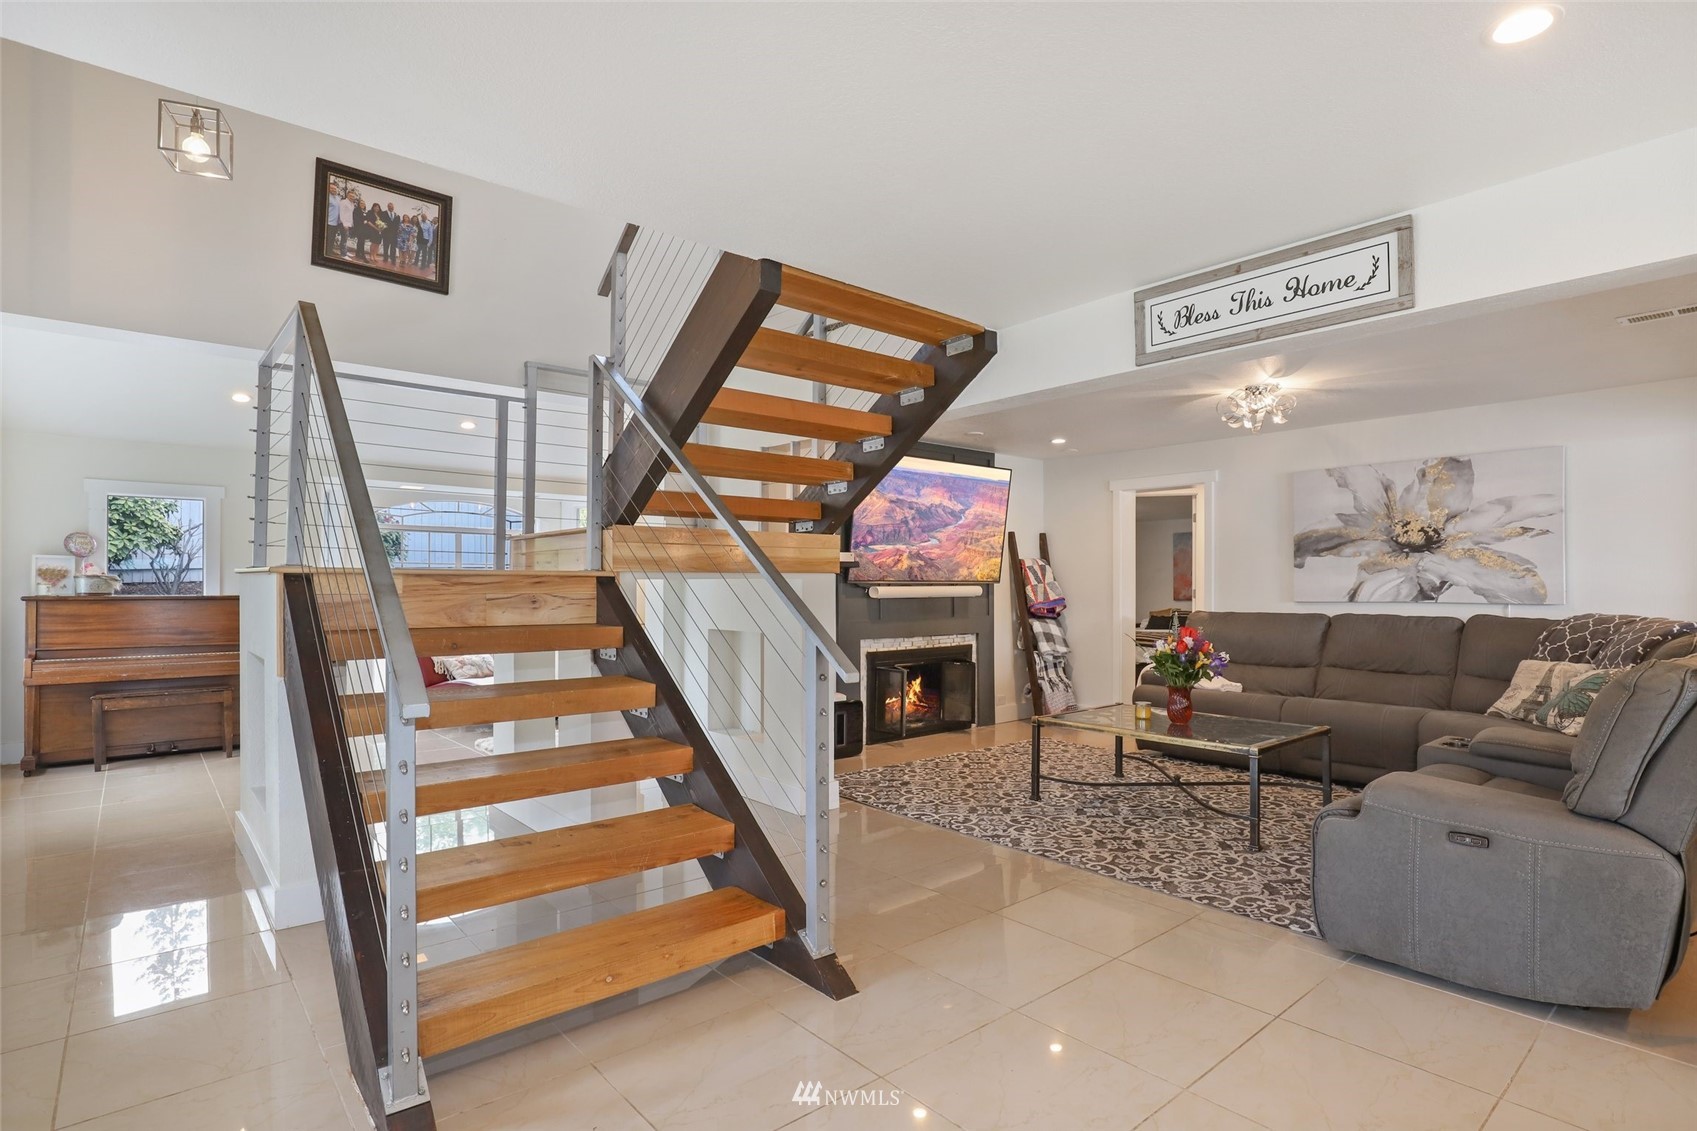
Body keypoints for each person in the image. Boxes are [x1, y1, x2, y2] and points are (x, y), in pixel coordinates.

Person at [336, 187, 356, 259]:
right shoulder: (343, 202)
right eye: (350, 196)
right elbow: (341, 213)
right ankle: (343, 255)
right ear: (347, 195)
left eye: (353, 196)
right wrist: (344, 223)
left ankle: (345, 251)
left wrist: (351, 223)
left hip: (349, 223)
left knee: (346, 238)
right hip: (344, 224)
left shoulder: (352, 204)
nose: (352, 197)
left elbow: (350, 214)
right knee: (344, 238)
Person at [380, 200, 399, 265]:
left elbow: (397, 225)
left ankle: (393, 259)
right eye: (390, 206)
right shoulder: (383, 213)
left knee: (393, 247)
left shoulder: (396, 215)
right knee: (386, 246)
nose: (391, 207)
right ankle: (385, 258)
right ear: (387, 207)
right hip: (386, 233)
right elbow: (381, 222)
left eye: (392, 206)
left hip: (394, 234)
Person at [326, 183, 342, 255]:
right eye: (332, 188)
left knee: (332, 237)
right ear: (328, 188)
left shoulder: (338, 198)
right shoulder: (327, 197)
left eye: (335, 189)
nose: (333, 190)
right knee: (328, 238)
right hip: (329, 221)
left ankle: (330, 250)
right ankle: (326, 252)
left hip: (336, 222)